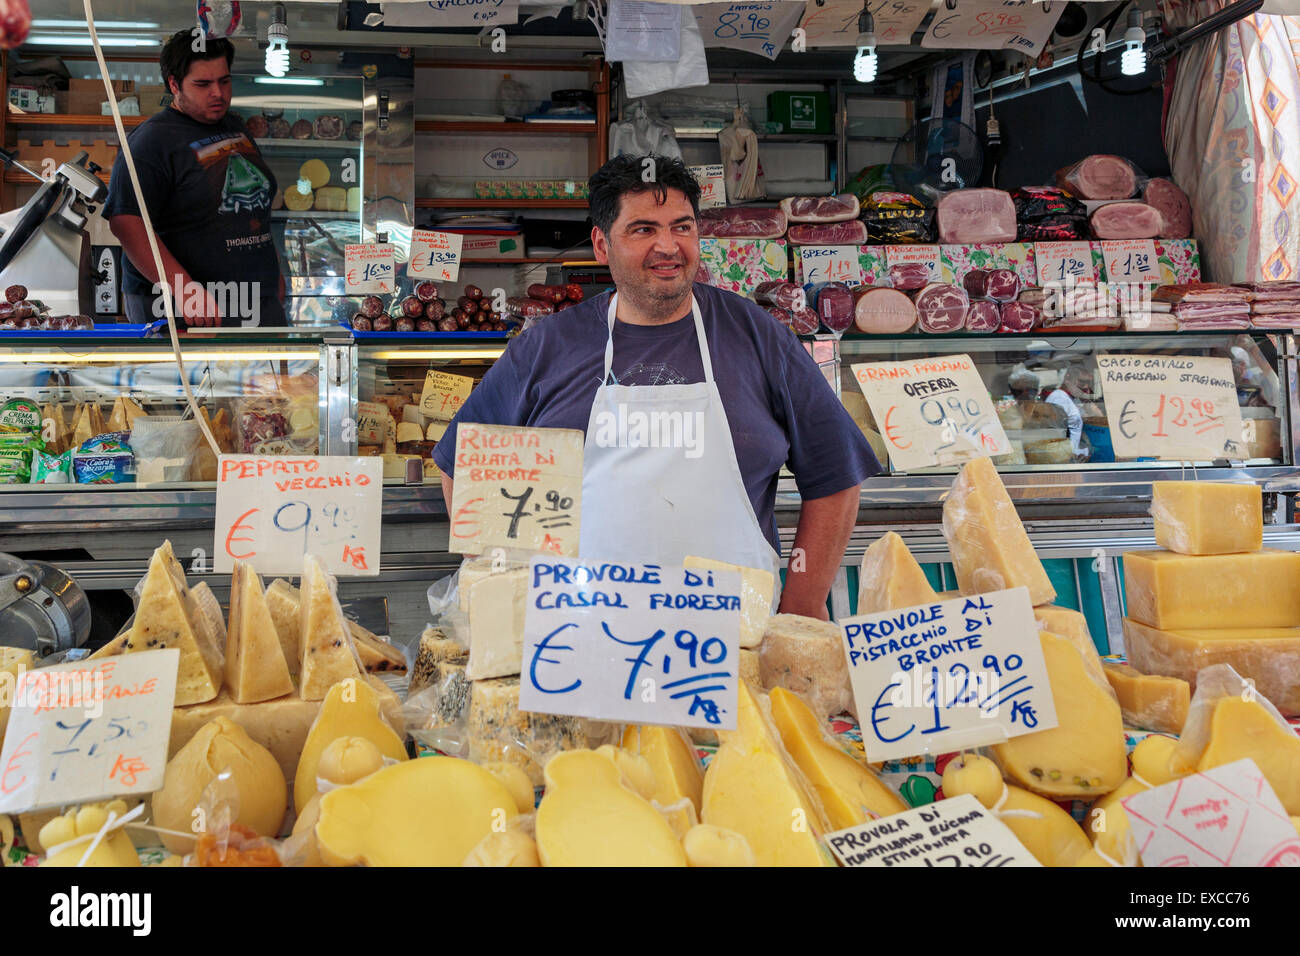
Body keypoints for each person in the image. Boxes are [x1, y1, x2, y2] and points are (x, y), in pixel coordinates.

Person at [434, 155, 881, 619]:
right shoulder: (548, 345)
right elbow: (463, 465)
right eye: (644, 229)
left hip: (734, 645)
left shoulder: (754, 334)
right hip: (578, 643)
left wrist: (803, 604)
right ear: (602, 245)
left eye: (682, 227)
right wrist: (505, 597)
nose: (668, 246)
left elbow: (835, 475)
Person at [104, 29, 285, 328]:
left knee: (271, 378)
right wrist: (184, 290)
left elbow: (255, 207)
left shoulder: (235, 127)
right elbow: (125, 222)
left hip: (256, 301)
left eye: (224, 80)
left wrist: (274, 274)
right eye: (203, 84)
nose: (218, 92)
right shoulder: (150, 142)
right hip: (188, 308)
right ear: (174, 84)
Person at [1044, 366, 1092, 462]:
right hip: (1063, 460)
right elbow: (1057, 436)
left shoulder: (1071, 398)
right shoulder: (1059, 399)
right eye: (1082, 381)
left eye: (1088, 383)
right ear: (1068, 378)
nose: (1086, 386)